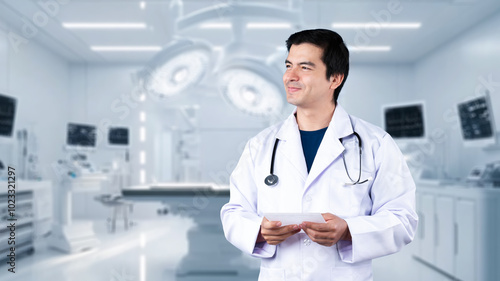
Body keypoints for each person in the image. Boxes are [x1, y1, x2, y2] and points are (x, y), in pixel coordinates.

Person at [220, 29, 418, 281]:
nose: (290, 76)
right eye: (288, 65)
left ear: (335, 78)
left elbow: (403, 219)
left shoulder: (375, 143)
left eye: (304, 67)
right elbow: (234, 212)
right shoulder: (261, 146)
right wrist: (258, 230)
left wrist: (348, 230)